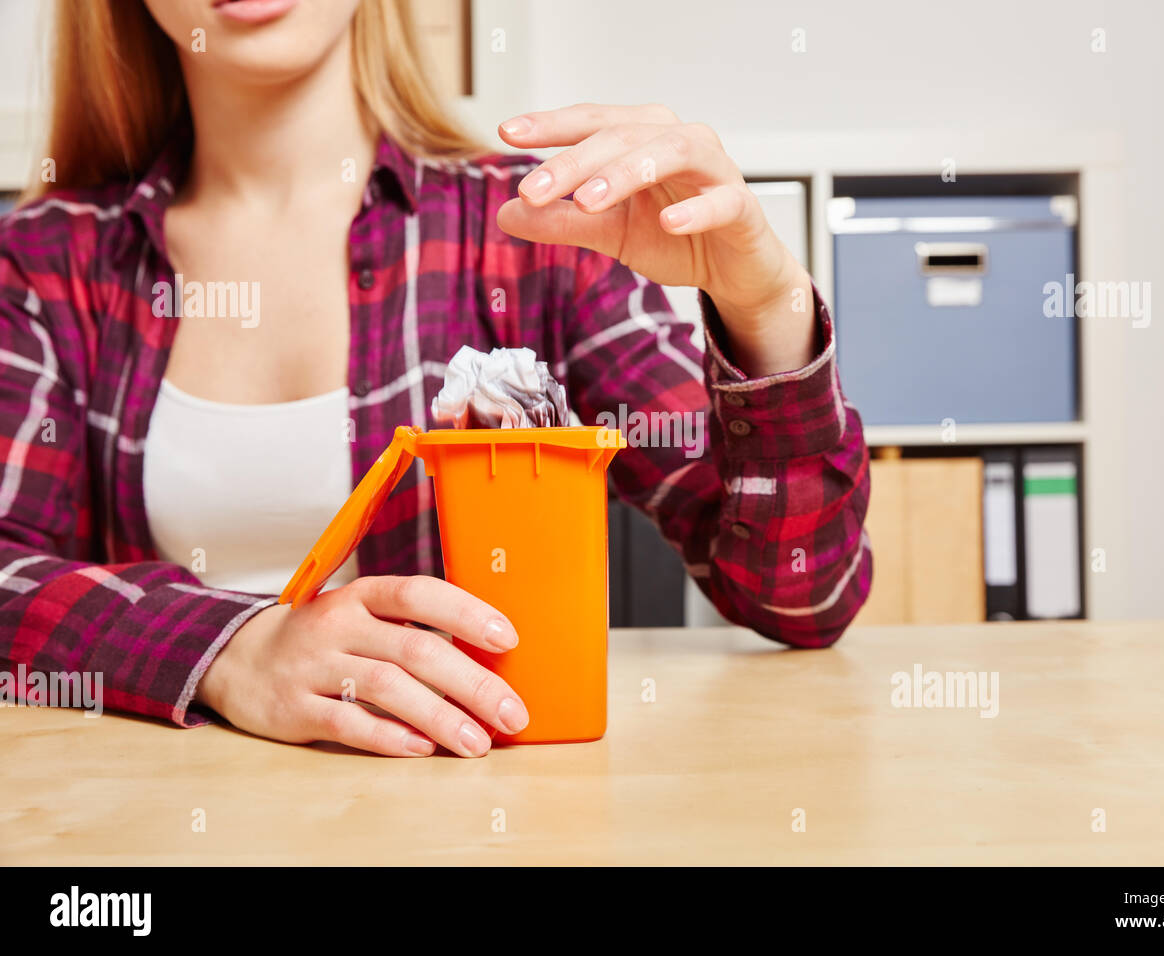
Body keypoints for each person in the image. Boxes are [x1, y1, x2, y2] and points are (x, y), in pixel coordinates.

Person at [0, 0, 871, 758]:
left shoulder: (534, 235)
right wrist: (233, 650)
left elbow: (801, 598)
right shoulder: (47, 262)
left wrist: (764, 307)